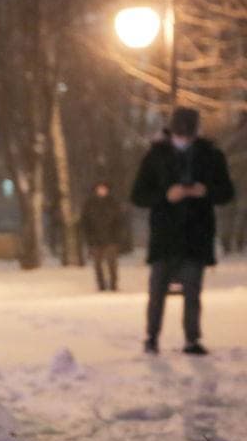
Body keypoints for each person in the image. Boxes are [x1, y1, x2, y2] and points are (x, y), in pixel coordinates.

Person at [130, 107, 236, 355]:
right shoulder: (155, 155)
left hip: (196, 234)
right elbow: (138, 195)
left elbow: (226, 193)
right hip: (165, 234)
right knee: (157, 290)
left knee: (192, 290)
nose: (184, 139)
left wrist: (205, 191)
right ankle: (151, 336)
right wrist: (166, 196)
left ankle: (192, 338)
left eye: (188, 135)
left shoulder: (211, 155)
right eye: (180, 134)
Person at [80, 181, 127, 292]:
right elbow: (85, 222)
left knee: (112, 263)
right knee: (97, 264)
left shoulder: (113, 203)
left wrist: (118, 237)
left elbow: (119, 222)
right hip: (95, 239)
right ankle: (101, 285)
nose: (102, 190)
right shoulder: (90, 203)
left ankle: (113, 284)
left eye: (104, 188)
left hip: (111, 238)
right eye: (100, 188)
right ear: (96, 190)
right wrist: (89, 237)